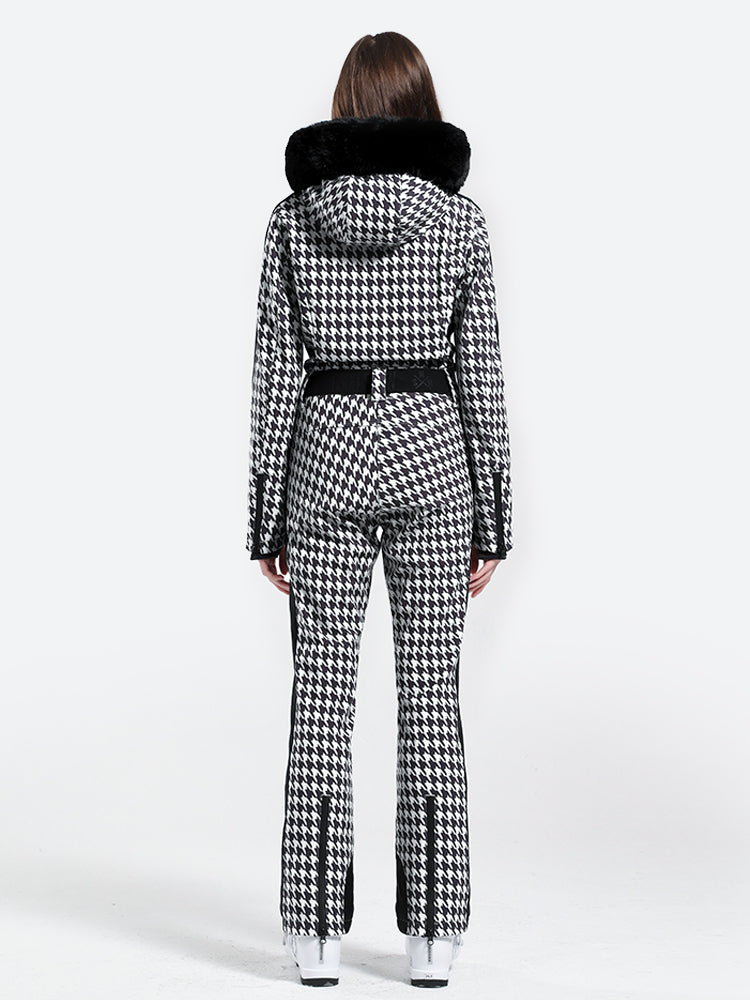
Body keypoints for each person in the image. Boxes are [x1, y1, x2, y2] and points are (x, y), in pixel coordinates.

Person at [245, 31, 513, 988]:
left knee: (320, 698)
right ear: (423, 105)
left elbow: (274, 375)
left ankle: (314, 937)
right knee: (430, 698)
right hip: (434, 461)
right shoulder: (459, 219)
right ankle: (433, 940)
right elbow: (480, 373)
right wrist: (495, 518)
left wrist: (265, 517)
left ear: (343, 105)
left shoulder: (293, 219)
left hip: (324, 460)